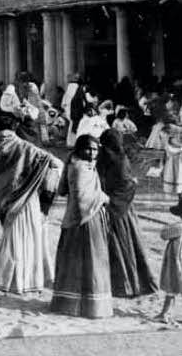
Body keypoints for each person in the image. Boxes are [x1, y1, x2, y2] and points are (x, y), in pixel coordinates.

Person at [0, 111, 61, 294]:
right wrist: (41, 187)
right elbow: (55, 164)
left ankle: (4, 279)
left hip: (8, 203)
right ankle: (27, 280)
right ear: (14, 128)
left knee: (11, 237)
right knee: (29, 238)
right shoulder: (24, 147)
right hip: (27, 200)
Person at [50, 134, 113, 319]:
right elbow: (81, 198)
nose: (92, 152)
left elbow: (63, 190)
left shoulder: (79, 164)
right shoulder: (79, 167)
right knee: (90, 261)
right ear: (79, 149)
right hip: (83, 220)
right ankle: (84, 306)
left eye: (95, 149)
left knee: (80, 262)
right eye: (88, 148)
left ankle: (72, 304)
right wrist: (104, 198)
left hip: (80, 218)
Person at [96, 128, 157, 298]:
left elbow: (124, 184)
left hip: (113, 207)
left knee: (120, 245)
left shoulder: (112, 159)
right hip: (111, 205)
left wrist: (109, 201)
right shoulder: (111, 158)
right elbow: (123, 183)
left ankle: (123, 286)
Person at [154, 201, 182, 324]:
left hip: (177, 262)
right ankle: (164, 313)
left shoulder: (178, 227)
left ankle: (164, 313)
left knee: (172, 288)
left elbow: (164, 234)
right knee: (174, 288)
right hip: (178, 261)